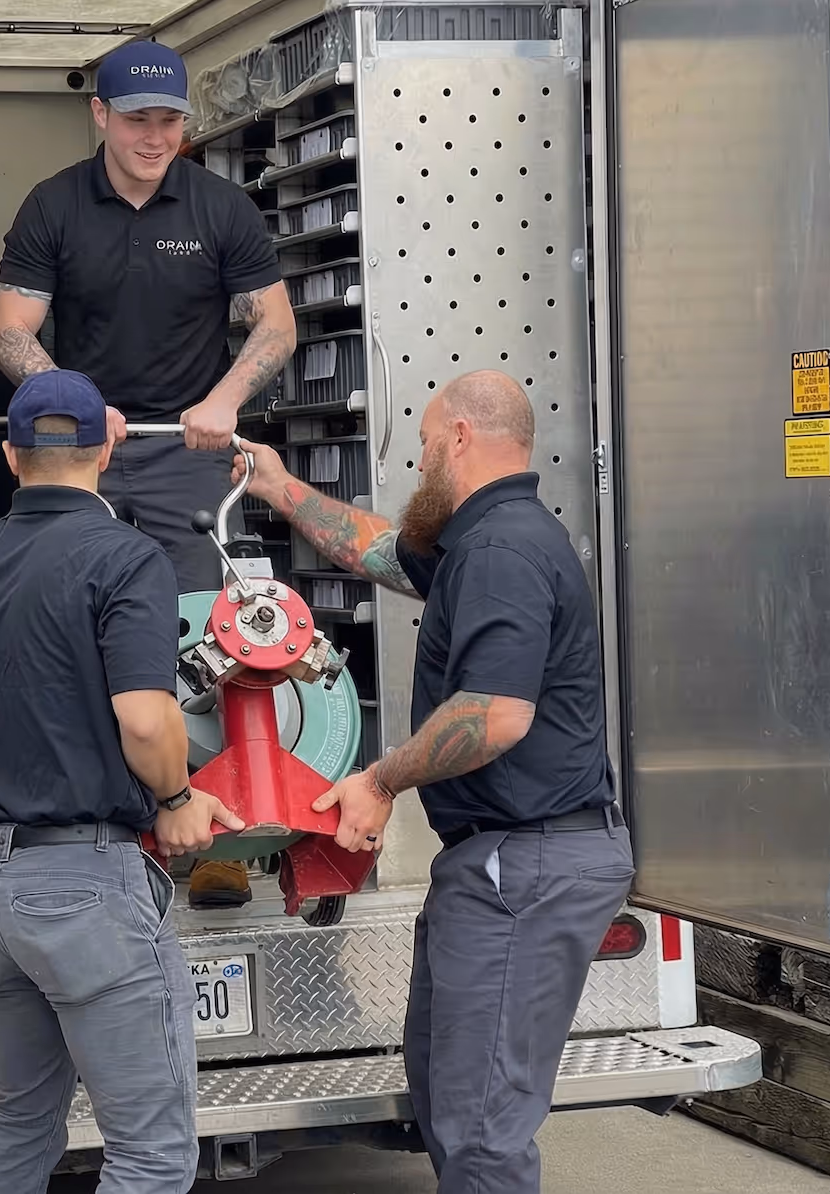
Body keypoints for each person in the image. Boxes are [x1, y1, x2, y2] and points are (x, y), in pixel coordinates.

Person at [232, 370, 635, 1194]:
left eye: (421, 446)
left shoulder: (500, 551)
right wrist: (277, 487)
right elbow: (374, 548)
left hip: (523, 866)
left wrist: (378, 781)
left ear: (458, 437)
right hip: (499, 865)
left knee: (482, 1131)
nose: (417, 465)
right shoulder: (477, 538)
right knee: (450, 1096)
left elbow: (493, 716)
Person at [0, 37, 297, 911]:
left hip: (184, 453)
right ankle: (103, 828)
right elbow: (8, 330)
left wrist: (226, 399)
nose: (155, 136)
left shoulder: (220, 208)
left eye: (169, 120)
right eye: (137, 120)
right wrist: (70, 399)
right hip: (83, 450)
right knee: (67, 636)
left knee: (207, 646)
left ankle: (216, 844)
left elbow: (275, 328)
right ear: (100, 116)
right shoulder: (53, 207)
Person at [0, 368, 246, 1194]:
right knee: (149, 1153)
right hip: (83, 890)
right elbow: (146, 721)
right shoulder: (124, 557)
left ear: (10, 457)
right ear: (106, 449)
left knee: (22, 1119)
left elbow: (42, 702)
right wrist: (178, 799)